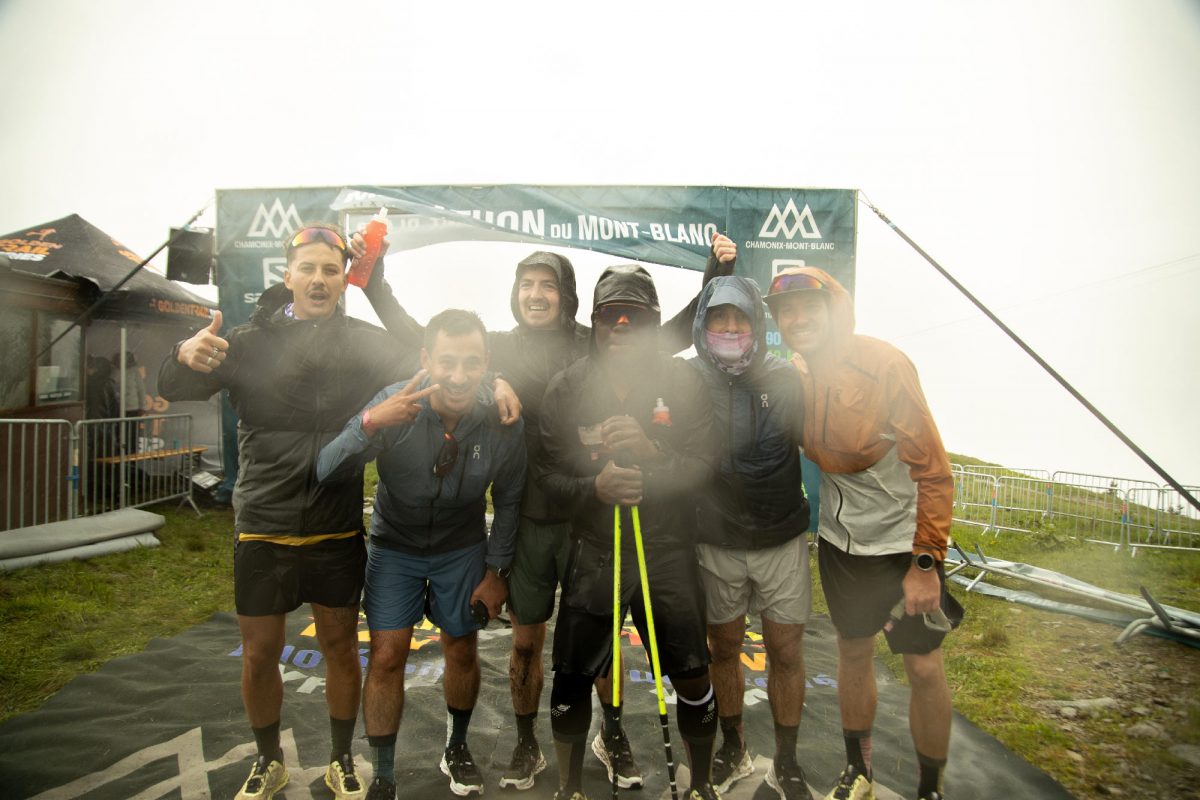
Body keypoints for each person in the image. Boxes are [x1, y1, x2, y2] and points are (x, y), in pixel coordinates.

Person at [358, 239, 730, 792]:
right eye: (526, 284)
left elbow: (666, 333)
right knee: (528, 642)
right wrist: (374, 286)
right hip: (534, 511)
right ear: (514, 294)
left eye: (548, 284)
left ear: (569, 296)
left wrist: (714, 274)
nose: (536, 294)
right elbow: (424, 341)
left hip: (593, 520)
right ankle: (527, 741)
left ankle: (615, 733)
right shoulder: (499, 347)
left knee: (599, 645)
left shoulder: (598, 336)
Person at [158, 223, 420, 800]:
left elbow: (427, 352)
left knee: (339, 651)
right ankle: (268, 759)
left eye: (331, 269)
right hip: (263, 525)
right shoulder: (249, 342)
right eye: (309, 269)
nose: (320, 280)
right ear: (288, 276)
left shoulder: (363, 341)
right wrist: (180, 353)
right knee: (258, 655)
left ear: (341, 279)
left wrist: (378, 282)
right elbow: (175, 385)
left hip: (334, 527)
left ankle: (340, 760)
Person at [316, 309, 527, 800]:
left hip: (462, 548)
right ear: (425, 358)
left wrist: (498, 571)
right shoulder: (395, 403)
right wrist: (370, 423)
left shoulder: (502, 417)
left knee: (461, 648)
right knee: (387, 656)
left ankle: (456, 747)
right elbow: (327, 468)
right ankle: (385, 775)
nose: (457, 376)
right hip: (395, 547)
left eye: (470, 363)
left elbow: (511, 498)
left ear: (486, 365)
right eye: (446, 361)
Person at [765, 267, 960, 800]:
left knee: (922, 667)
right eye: (786, 311)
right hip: (841, 544)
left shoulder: (886, 364)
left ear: (835, 309)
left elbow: (935, 472)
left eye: (809, 307)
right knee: (853, 654)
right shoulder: (798, 373)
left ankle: (930, 789)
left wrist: (926, 562)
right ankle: (859, 772)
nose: (797, 318)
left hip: (903, 547)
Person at [534, 264, 721, 800]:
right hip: (596, 548)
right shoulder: (567, 386)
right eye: (608, 316)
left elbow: (703, 464)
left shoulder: (682, 381)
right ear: (592, 321)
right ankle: (569, 787)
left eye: (632, 317)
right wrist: (594, 487)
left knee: (690, 670)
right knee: (571, 675)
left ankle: (701, 783)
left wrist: (651, 455)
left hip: (666, 548)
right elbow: (546, 473)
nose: (620, 326)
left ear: (653, 322)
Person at [689, 266, 812, 800]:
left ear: (757, 324)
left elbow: (816, 438)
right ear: (703, 325)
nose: (731, 328)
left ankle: (786, 761)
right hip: (717, 540)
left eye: (741, 317)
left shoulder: (787, 378)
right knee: (725, 648)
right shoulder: (688, 379)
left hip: (781, 538)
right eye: (720, 318)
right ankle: (733, 746)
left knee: (785, 650)